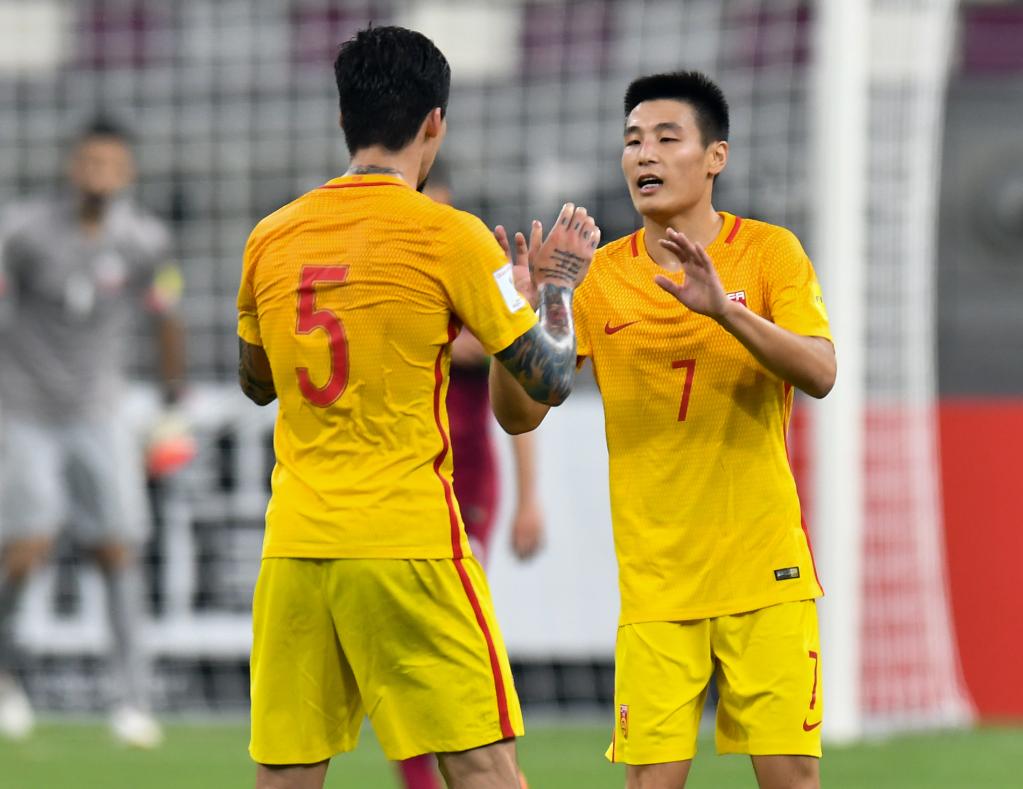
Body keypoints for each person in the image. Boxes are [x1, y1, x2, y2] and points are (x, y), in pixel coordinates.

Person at [235, 26, 598, 789]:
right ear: (435, 121)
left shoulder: (270, 236)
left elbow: (256, 381)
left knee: (286, 774)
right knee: (483, 767)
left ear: (343, 117)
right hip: (406, 539)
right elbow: (547, 377)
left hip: (295, 545)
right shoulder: (448, 235)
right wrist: (557, 288)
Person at [489, 71, 836, 789]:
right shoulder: (597, 279)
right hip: (657, 585)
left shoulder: (769, 253)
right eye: (632, 141)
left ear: (715, 157)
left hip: (763, 571)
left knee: (791, 777)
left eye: (665, 138)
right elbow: (518, 413)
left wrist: (725, 311)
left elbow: (820, 371)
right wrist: (513, 325)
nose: (643, 154)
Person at [0, 118, 186, 748]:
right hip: (26, 407)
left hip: (100, 409)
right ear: (71, 166)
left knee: (118, 549)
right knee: (25, 548)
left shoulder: (145, 240)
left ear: (127, 172)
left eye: (110, 164)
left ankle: (132, 700)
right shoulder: (24, 232)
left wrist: (172, 401)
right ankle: (5, 674)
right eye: (89, 162)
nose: (98, 174)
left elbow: (167, 315)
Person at [397, 167, 545, 789]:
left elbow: (513, 379)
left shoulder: (471, 272)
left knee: (448, 635)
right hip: (401, 480)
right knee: (408, 645)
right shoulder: (390, 275)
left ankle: (486, 772)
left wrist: (529, 500)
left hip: (468, 481)